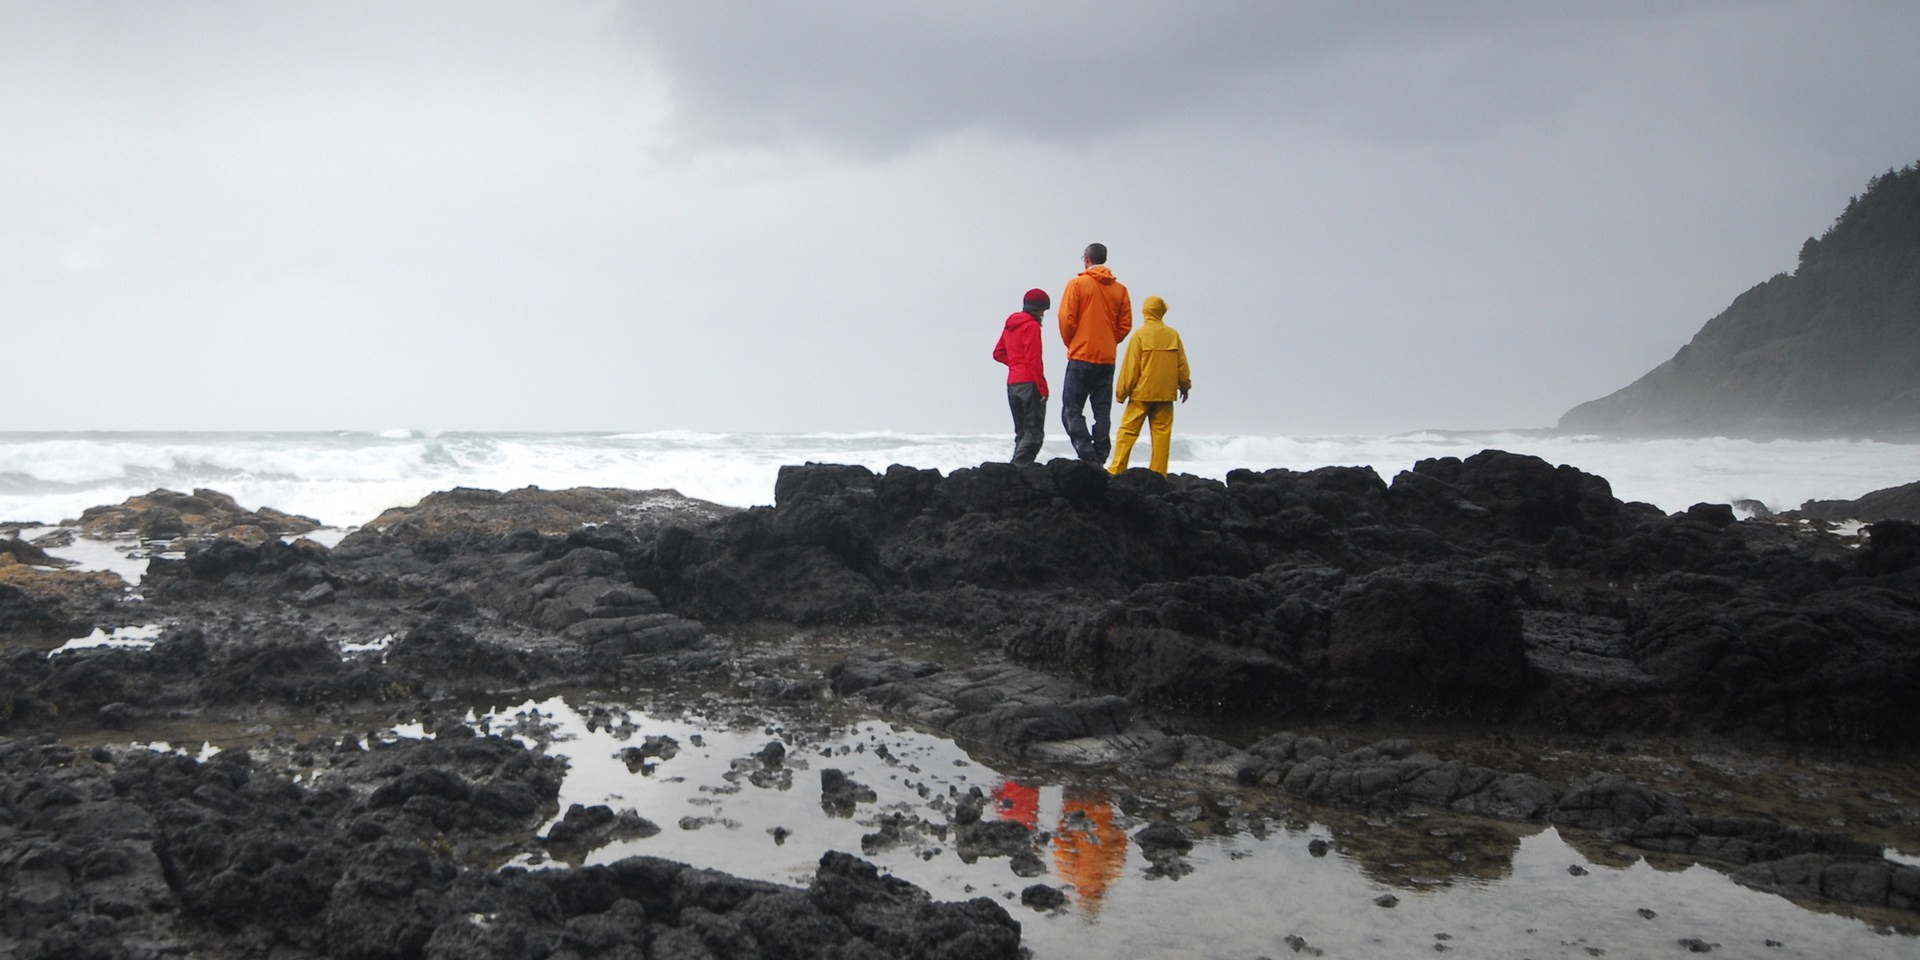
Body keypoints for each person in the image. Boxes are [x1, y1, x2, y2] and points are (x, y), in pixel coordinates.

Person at [1057, 243, 1132, 465]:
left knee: (1071, 409)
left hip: (1081, 355)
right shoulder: (1120, 290)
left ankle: (1086, 453)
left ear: (1087, 259)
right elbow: (1125, 325)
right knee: (1101, 410)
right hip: (1107, 358)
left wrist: (1072, 342)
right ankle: (1101, 455)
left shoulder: (1078, 284)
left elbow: (1066, 320)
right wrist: (1110, 339)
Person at [1107, 295, 1190, 476]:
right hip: (1165, 395)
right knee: (1162, 436)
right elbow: (1181, 364)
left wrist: (1121, 393)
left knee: (1127, 432)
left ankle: (1117, 469)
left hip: (1141, 395)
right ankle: (1159, 474)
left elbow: (1130, 368)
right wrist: (1185, 385)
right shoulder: (1173, 335)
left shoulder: (1139, 335)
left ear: (1145, 311)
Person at [993, 288, 1051, 464]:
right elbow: (1034, 360)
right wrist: (1043, 388)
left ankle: (1014, 473)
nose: (1043, 314)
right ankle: (1017, 469)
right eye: (1043, 310)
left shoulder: (1011, 325)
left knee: (1022, 432)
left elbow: (998, 353)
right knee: (1034, 435)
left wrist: (1016, 365)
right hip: (1029, 383)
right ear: (1039, 309)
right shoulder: (1031, 326)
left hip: (1013, 384)